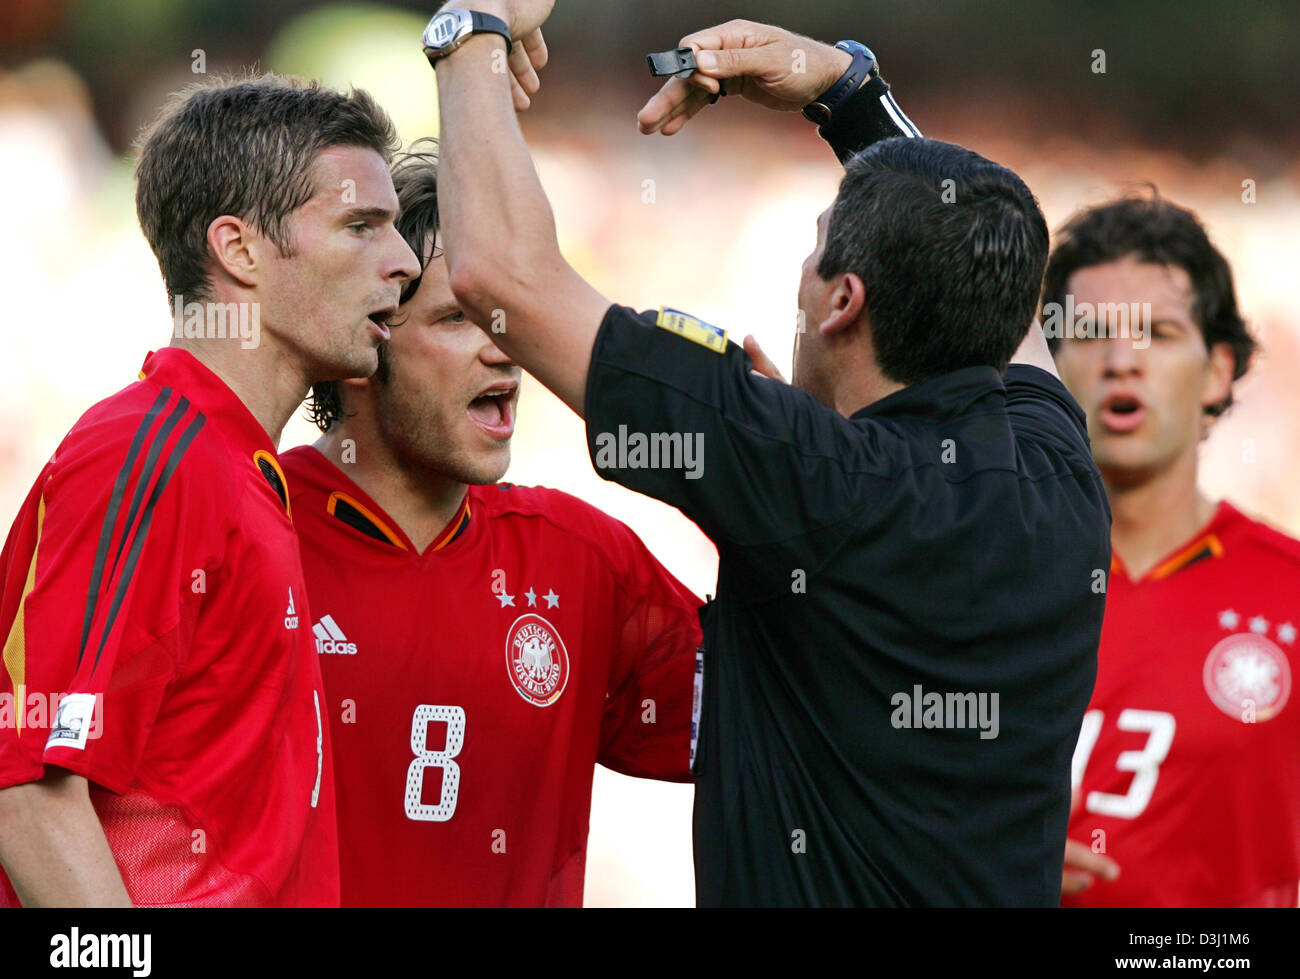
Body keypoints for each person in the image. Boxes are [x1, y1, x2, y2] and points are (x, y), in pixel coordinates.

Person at [423, 3, 1110, 905]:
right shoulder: (1058, 470)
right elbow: (1001, 283)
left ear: (842, 302)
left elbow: (495, 277)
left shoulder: (813, 479)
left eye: (813, 253)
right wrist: (848, 93)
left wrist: (470, 29)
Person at [0, 73, 419, 906]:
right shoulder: (150, 454)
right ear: (239, 249)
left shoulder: (238, 466)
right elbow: (28, 792)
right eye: (361, 226)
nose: (403, 262)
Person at [281, 144, 702, 907]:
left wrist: (781, 479)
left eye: (509, 321)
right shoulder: (249, 530)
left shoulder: (579, 557)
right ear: (361, 339)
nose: (503, 349)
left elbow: (797, 710)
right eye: (457, 319)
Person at [1048, 194, 1300, 907]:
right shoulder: (964, 589)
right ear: (1048, 363)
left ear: (1219, 370)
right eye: (1092, 332)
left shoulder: (1290, 594)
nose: (1122, 360)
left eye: (1157, 333)